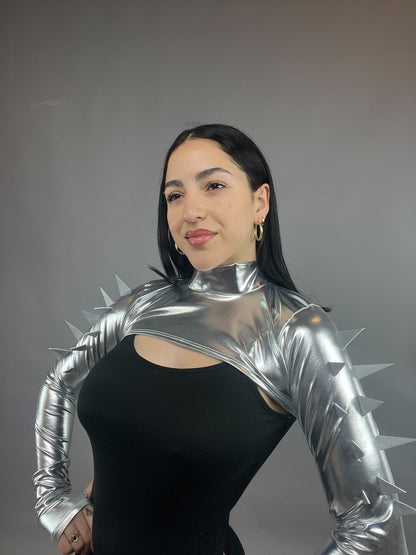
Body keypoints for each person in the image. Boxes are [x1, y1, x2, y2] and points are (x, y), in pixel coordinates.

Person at [34, 124, 414, 554]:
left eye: (213, 186)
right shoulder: (142, 305)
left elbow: (374, 526)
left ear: (260, 202)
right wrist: (56, 503)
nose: (190, 211)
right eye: (175, 195)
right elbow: (61, 384)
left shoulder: (293, 331)